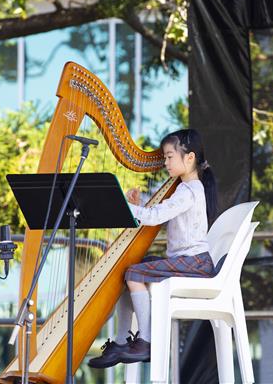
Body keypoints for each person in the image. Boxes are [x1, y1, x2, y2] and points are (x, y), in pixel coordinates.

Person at [88, 128, 218, 368]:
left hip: (195, 263)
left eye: (169, 156)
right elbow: (163, 208)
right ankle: (121, 340)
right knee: (126, 270)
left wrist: (125, 206)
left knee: (134, 273)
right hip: (188, 261)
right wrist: (140, 203)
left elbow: (157, 215)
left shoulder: (190, 190)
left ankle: (145, 340)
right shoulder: (185, 189)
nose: (165, 162)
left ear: (189, 158)